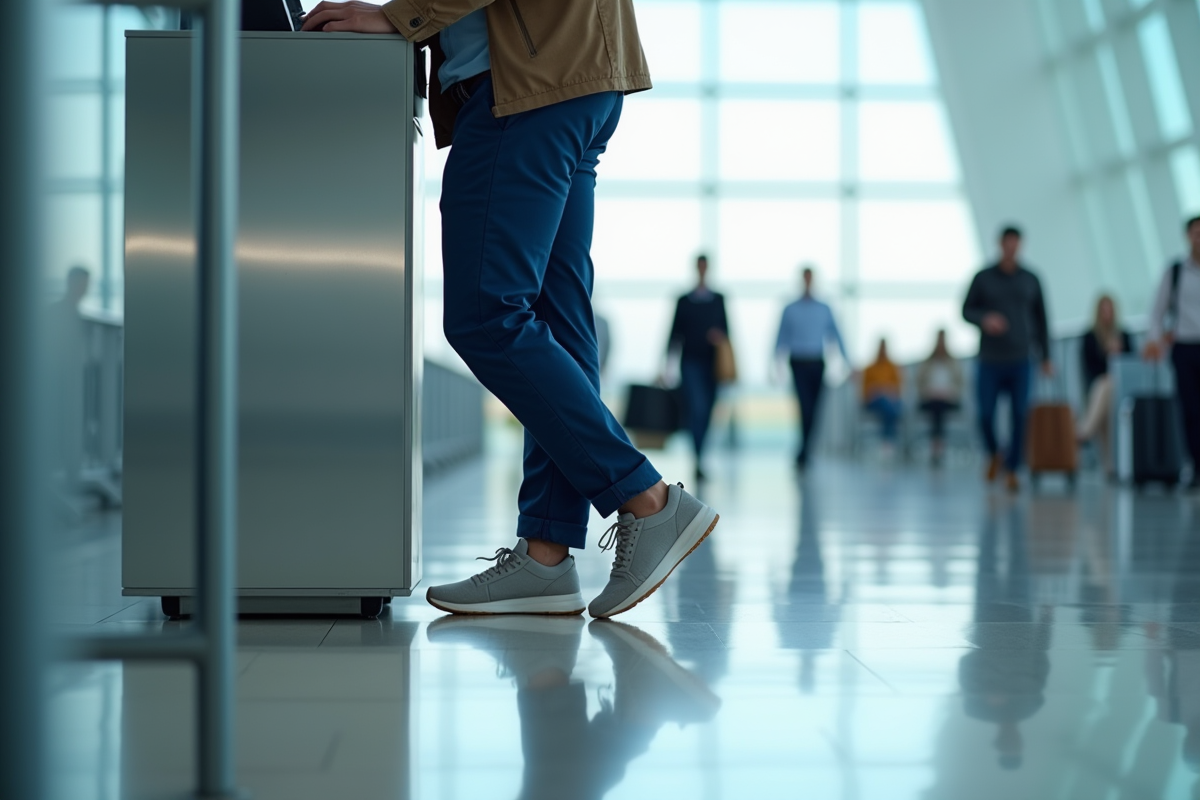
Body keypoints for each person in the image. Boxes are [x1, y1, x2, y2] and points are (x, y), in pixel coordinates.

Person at [302, 1, 719, 617]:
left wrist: (401, 16)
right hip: (575, 75)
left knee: (486, 314)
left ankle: (647, 498)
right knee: (556, 323)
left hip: (524, 83)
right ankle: (546, 555)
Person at [962, 225, 1052, 493]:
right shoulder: (983, 278)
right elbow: (966, 310)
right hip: (990, 359)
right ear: (1000, 244)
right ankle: (994, 453)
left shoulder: (1031, 279)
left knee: (1020, 414)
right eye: (1007, 243)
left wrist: (1046, 357)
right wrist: (984, 319)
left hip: (1021, 359)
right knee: (985, 414)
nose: (1011, 248)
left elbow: (1042, 320)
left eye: (1016, 244)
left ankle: (1013, 469)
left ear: (1020, 245)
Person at [1143, 216, 1200, 491]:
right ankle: (1195, 466)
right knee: (1190, 409)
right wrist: (1155, 340)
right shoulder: (1175, 271)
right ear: (1187, 236)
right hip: (1184, 347)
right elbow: (1157, 312)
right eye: (1196, 232)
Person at [774, 266, 849, 470]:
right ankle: (804, 451)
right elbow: (781, 336)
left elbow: (836, 335)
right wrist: (776, 362)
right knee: (804, 407)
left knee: (814, 410)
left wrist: (846, 361)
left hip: (817, 362)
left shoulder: (824, 308)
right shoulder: (790, 308)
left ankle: (805, 450)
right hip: (798, 362)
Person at [667, 255, 729, 482]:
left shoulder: (718, 299)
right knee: (697, 408)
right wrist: (667, 365)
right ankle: (697, 457)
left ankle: (701, 455)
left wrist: (719, 337)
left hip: (713, 365)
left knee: (708, 412)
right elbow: (674, 333)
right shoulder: (684, 301)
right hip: (690, 362)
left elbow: (726, 331)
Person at [1077, 295, 1132, 473]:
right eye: (1103, 310)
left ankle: (1084, 431)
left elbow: (1132, 365)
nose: (1107, 314)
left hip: (1122, 388)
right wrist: (1107, 356)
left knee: (1107, 387)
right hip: (1098, 387)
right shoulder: (1090, 337)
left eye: (1109, 310)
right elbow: (1089, 369)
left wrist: (1116, 355)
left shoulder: (1124, 336)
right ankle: (1110, 465)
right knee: (1105, 389)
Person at [916, 329, 964, 466]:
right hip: (929, 398)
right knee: (936, 407)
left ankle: (936, 447)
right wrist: (929, 392)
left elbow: (960, 384)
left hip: (949, 399)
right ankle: (938, 447)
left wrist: (949, 393)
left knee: (939, 407)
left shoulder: (953, 363)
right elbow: (919, 383)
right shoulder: (927, 363)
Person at [860, 338, 903, 454]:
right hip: (874, 401)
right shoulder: (870, 368)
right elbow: (864, 391)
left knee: (893, 406)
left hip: (890, 400)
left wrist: (888, 391)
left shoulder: (892, 367)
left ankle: (887, 442)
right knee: (887, 406)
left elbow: (898, 389)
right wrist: (878, 390)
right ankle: (888, 441)